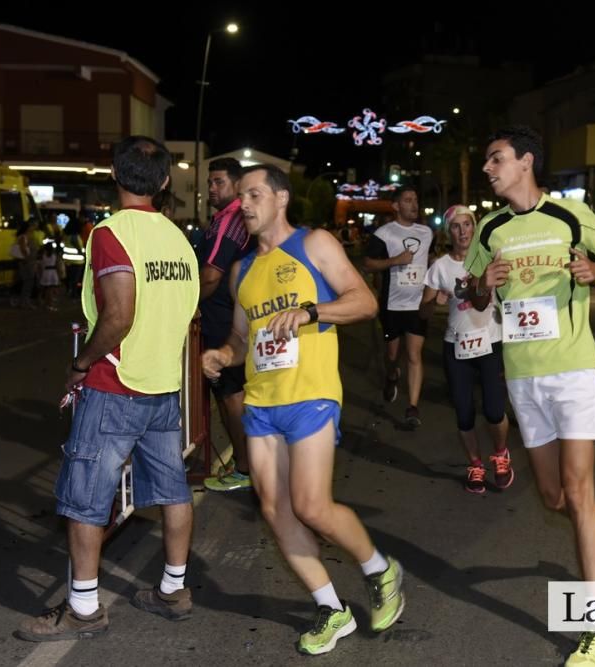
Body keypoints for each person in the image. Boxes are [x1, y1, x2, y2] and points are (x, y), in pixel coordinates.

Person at [201, 165, 404, 655]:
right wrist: (224, 355)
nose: (244, 205)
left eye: (254, 194)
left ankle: (381, 570)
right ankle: (331, 609)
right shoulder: (241, 271)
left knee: (312, 506)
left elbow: (364, 303)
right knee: (275, 509)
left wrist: (312, 312)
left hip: (310, 394)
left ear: (281, 198)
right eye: (241, 197)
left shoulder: (316, 244)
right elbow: (241, 336)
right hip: (262, 402)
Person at [17, 136, 200, 641]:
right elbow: (187, 311)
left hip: (115, 384)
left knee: (85, 499)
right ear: (164, 182)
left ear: (114, 177)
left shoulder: (109, 233)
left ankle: (82, 609)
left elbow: (118, 314)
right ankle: (174, 590)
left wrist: (82, 362)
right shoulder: (178, 239)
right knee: (172, 491)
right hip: (163, 386)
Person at [466, 126, 595, 666]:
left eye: (496, 158)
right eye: (487, 161)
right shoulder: (488, 228)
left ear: (525, 161)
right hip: (522, 375)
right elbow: (472, 293)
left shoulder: (569, 215)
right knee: (553, 498)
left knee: (579, 490)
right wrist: (484, 282)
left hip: (574, 370)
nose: (487, 168)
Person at [419, 204, 512, 494]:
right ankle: (474, 463)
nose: (462, 231)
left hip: (490, 341)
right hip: (456, 346)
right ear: (448, 232)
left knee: (495, 410)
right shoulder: (440, 267)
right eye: (456, 227)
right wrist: (432, 303)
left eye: (467, 225)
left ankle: (500, 453)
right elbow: (421, 313)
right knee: (463, 412)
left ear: (475, 227)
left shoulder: (491, 259)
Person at [197, 157, 255, 492]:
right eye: (210, 182)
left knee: (232, 394)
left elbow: (211, 275)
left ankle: (246, 468)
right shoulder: (223, 218)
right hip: (225, 315)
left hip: (223, 318)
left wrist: (185, 308)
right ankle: (244, 461)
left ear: (236, 183)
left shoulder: (230, 219)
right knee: (227, 392)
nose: (211, 188)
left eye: (218, 182)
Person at [363, 186, 434, 427]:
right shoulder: (384, 234)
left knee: (414, 355)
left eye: (415, 199)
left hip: (417, 304)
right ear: (396, 206)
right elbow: (368, 264)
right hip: (392, 304)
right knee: (393, 355)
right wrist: (396, 261)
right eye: (407, 200)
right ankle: (392, 374)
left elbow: (431, 259)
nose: (414, 204)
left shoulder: (426, 232)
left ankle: (413, 407)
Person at [38, 242, 62, 311]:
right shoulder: (54, 255)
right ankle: (50, 305)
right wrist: (59, 275)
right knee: (51, 290)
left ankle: (45, 303)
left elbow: (40, 266)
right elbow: (58, 266)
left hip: (46, 272)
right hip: (53, 272)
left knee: (46, 290)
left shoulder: (43, 255)